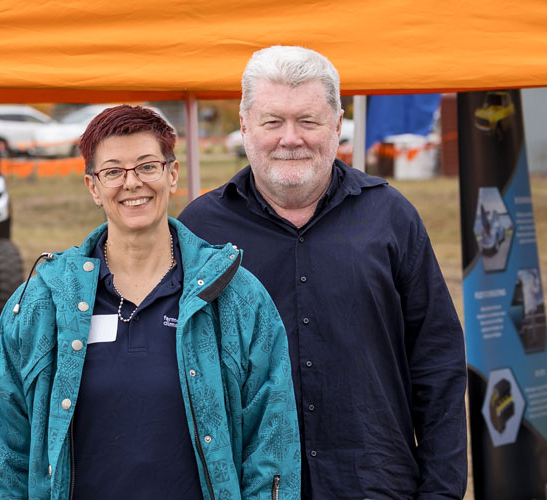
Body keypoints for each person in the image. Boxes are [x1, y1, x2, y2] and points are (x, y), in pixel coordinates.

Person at [0, 105, 301, 500]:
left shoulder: (236, 299)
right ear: (93, 187)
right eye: (113, 172)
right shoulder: (42, 305)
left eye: (146, 166)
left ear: (172, 175)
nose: (132, 183)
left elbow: (271, 450)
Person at [179, 46, 467, 499]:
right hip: (248, 486)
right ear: (244, 125)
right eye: (273, 122)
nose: (290, 138)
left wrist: (441, 490)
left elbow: (437, 364)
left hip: (374, 484)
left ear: (337, 124)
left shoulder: (391, 217)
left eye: (308, 121)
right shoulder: (200, 229)